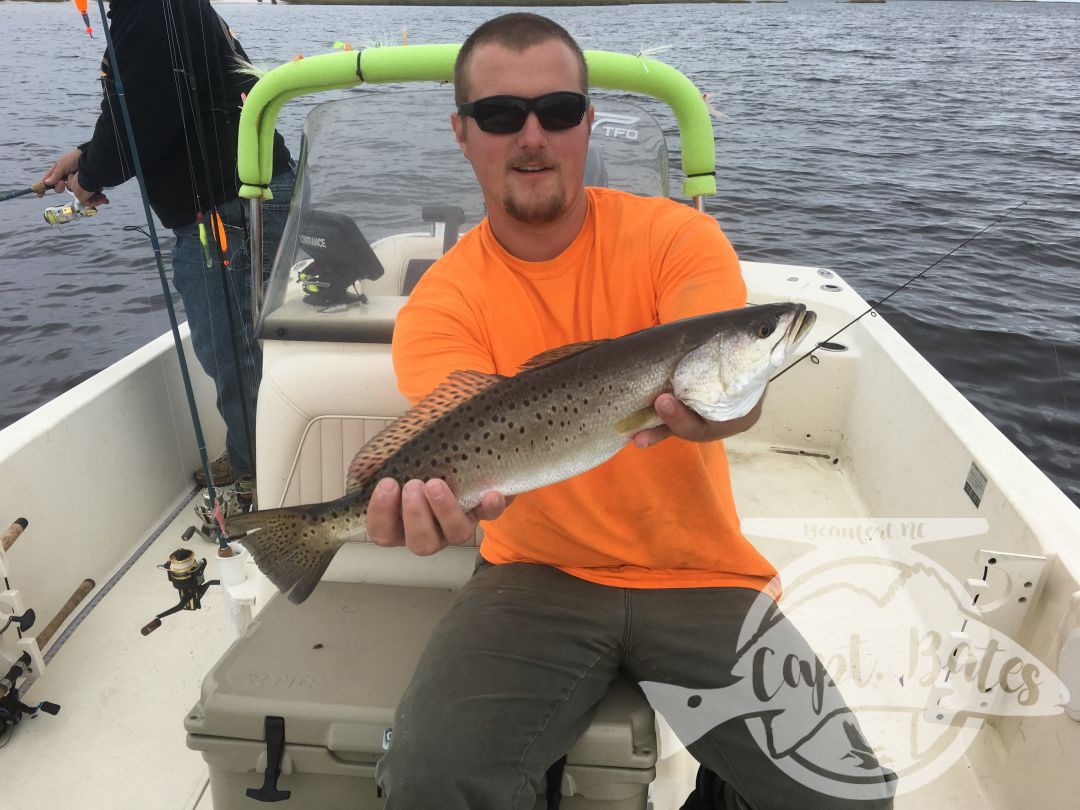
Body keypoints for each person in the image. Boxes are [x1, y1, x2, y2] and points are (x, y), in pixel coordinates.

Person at [369, 13, 895, 810]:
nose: (533, 136)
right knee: (430, 780)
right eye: (502, 115)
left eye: (559, 110)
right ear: (463, 131)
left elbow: (726, 393)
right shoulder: (441, 302)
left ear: (588, 120)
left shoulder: (676, 238)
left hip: (699, 572)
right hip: (531, 575)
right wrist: (422, 508)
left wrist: (713, 413)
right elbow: (456, 439)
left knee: (845, 799)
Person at [39, 0, 293, 487]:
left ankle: (259, 480)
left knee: (231, 352)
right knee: (245, 346)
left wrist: (92, 175)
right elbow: (147, 106)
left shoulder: (149, 8)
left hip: (227, 209)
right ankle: (258, 455)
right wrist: (89, 155)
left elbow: (142, 120)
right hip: (247, 196)